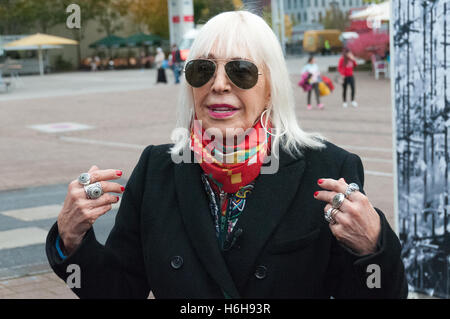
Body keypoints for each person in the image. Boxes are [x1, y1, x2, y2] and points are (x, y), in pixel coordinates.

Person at [46, 11, 407, 299]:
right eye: (202, 69)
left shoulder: (328, 168)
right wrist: (71, 240)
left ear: (270, 89)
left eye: (241, 70)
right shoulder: (157, 169)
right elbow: (119, 291)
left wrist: (373, 248)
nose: (218, 84)